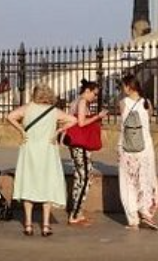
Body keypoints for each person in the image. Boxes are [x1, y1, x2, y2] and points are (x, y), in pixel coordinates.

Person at [7, 83, 76, 237]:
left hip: (29, 149)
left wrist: (22, 131)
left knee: (28, 184)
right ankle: (45, 226)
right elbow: (73, 120)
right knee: (47, 185)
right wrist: (58, 131)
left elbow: (10, 116)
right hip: (47, 151)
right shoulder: (54, 111)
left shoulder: (27, 108)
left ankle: (28, 225)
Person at [117, 73, 158, 231]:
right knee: (145, 179)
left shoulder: (123, 103)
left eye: (123, 86)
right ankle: (146, 213)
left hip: (127, 147)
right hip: (145, 147)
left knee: (128, 182)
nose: (123, 89)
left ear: (129, 86)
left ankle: (133, 218)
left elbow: (122, 127)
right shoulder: (147, 103)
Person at [64, 79, 105, 226]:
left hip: (76, 145)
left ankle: (77, 212)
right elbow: (81, 123)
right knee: (86, 177)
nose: (95, 97)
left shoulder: (76, 102)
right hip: (81, 146)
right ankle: (75, 214)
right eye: (94, 94)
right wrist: (97, 117)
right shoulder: (82, 102)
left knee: (79, 177)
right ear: (87, 91)